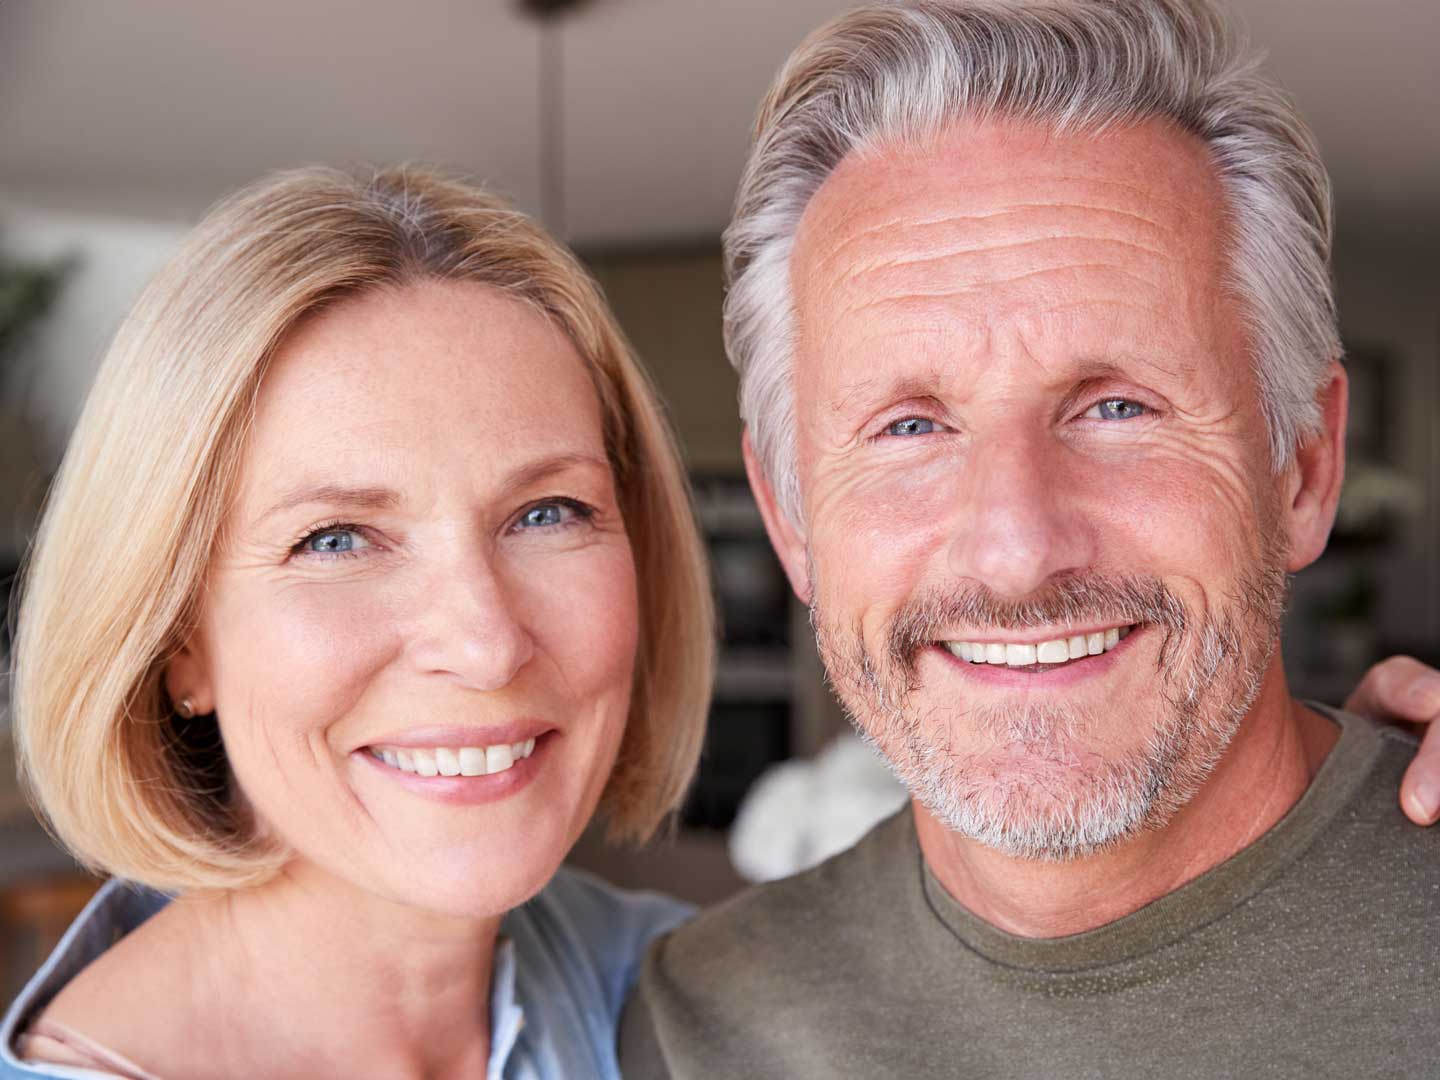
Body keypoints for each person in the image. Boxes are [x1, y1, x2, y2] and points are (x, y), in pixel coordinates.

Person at [620, 1, 1440, 1075]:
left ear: (1304, 469)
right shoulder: (696, 1026)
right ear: (790, 521)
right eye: (909, 427)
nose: (1015, 551)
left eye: (1117, 408)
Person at [1, 165, 716, 1078]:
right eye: (337, 538)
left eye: (547, 513)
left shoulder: (708, 997)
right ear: (178, 642)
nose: (484, 642)